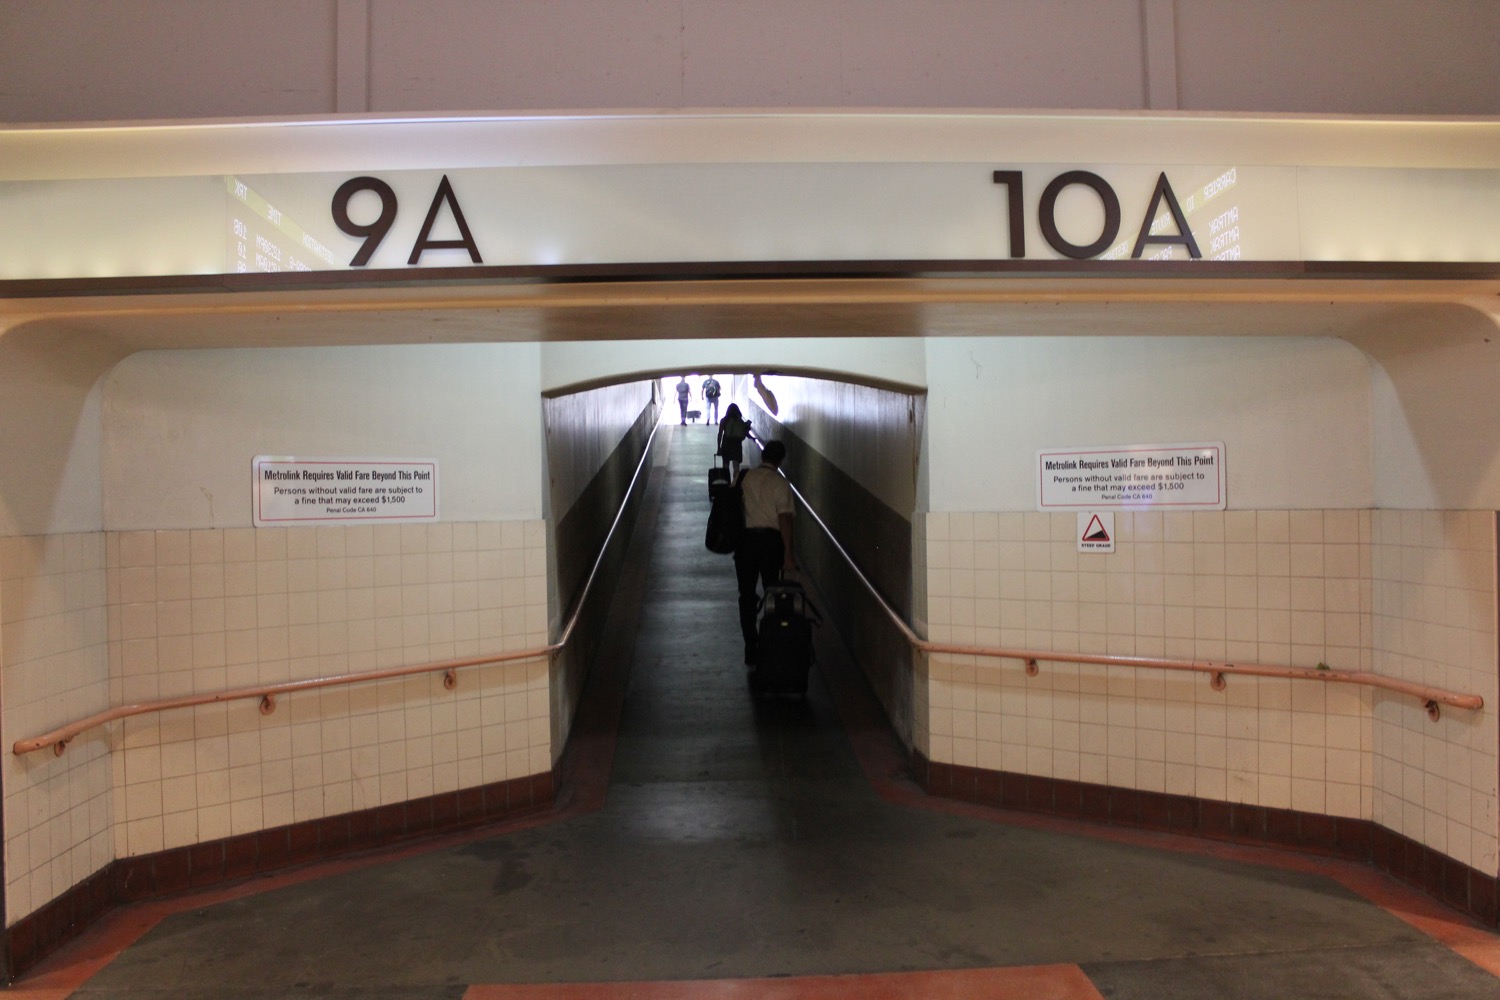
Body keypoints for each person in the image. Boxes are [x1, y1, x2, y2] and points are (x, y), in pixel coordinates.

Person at [734, 440, 795, 665]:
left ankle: (750, 644)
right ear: (780, 460)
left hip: (746, 542)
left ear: (762, 456)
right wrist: (788, 554)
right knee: (772, 591)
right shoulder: (781, 484)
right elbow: (785, 519)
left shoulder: (746, 478)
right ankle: (771, 640)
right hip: (771, 543)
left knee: (746, 594)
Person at [716, 403, 751, 479]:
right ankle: (735, 484)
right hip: (737, 445)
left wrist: (719, 448)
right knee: (736, 467)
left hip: (726, 445)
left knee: (725, 466)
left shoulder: (724, 420)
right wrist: (753, 438)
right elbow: (745, 432)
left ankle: (726, 483)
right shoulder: (740, 421)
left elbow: (720, 435)